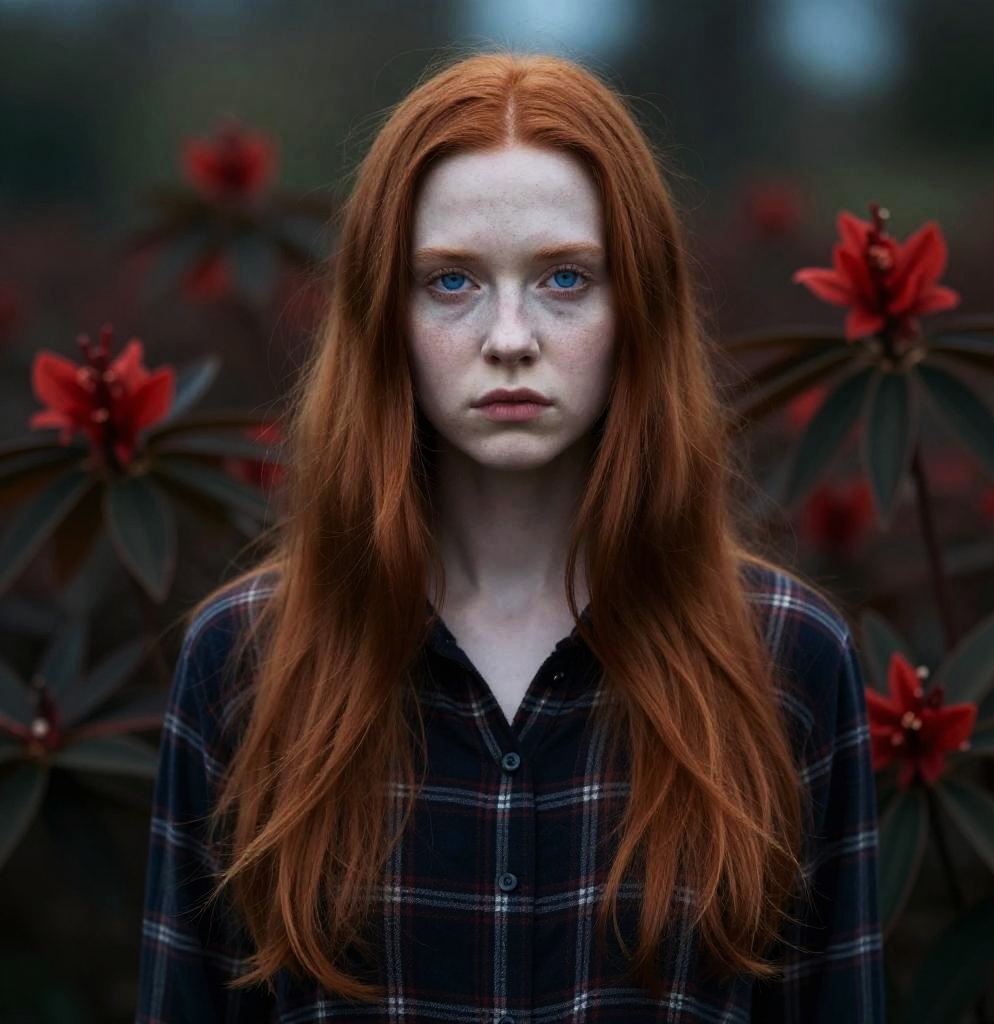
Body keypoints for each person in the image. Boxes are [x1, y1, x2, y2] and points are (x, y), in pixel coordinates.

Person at [135, 50, 884, 1023]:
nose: (509, 335)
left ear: (638, 309)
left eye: (565, 277)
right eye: (451, 282)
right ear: (383, 317)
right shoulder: (245, 661)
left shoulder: (787, 657)